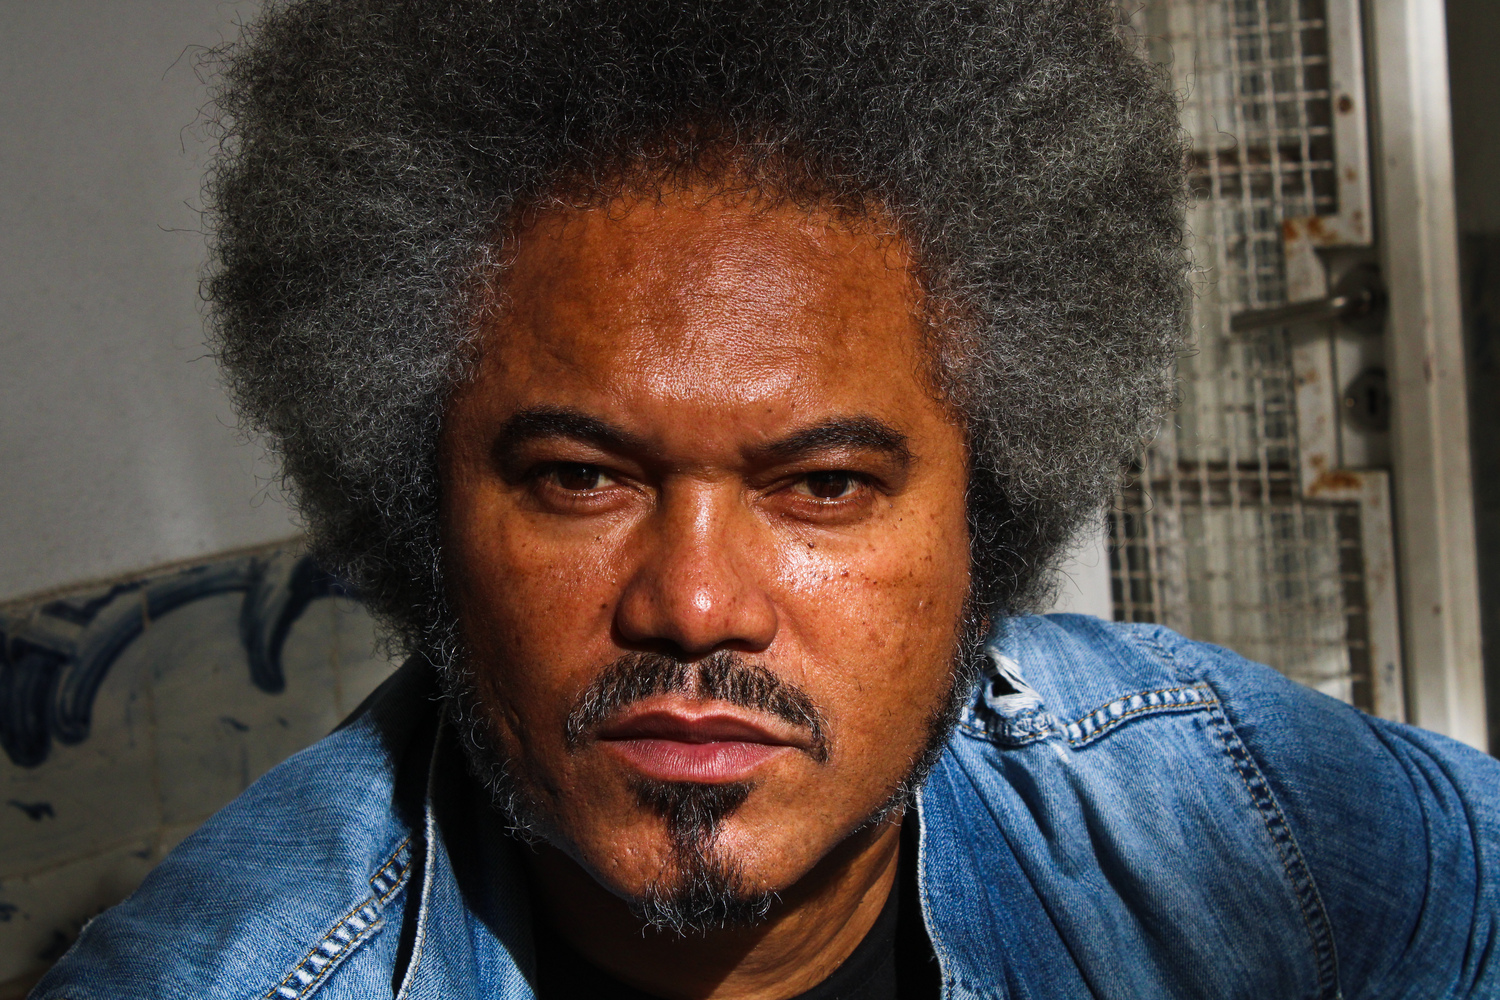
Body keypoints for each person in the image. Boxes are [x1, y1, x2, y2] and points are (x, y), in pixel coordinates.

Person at [33, 1, 1500, 997]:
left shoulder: (1217, 807)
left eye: (824, 486)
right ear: (426, 516)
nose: (693, 604)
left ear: (982, 524)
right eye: (580, 478)